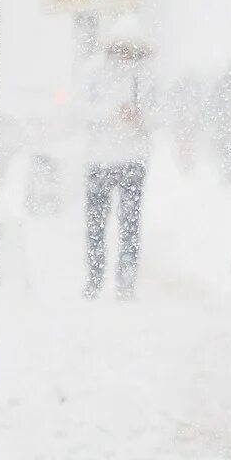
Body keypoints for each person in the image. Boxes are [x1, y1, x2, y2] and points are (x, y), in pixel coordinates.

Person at [80, 29, 154, 299]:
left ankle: (126, 281)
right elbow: (81, 110)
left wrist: (141, 117)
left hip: (133, 160)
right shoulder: (94, 75)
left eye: (129, 50)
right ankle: (95, 278)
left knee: (130, 225)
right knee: (96, 226)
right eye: (120, 49)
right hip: (100, 160)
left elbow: (158, 116)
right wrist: (112, 113)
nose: (125, 55)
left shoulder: (146, 78)